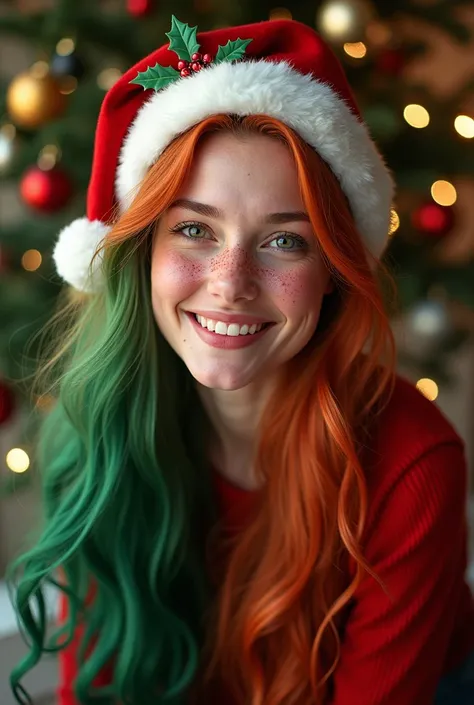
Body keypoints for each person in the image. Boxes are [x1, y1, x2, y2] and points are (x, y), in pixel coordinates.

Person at [7, 16, 474, 705]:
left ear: (332, 272)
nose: (231, 282)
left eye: (285, 241)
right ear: (142, 254)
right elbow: (94, 682)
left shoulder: (412, 463)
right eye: (194, 229)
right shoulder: (96, 425)